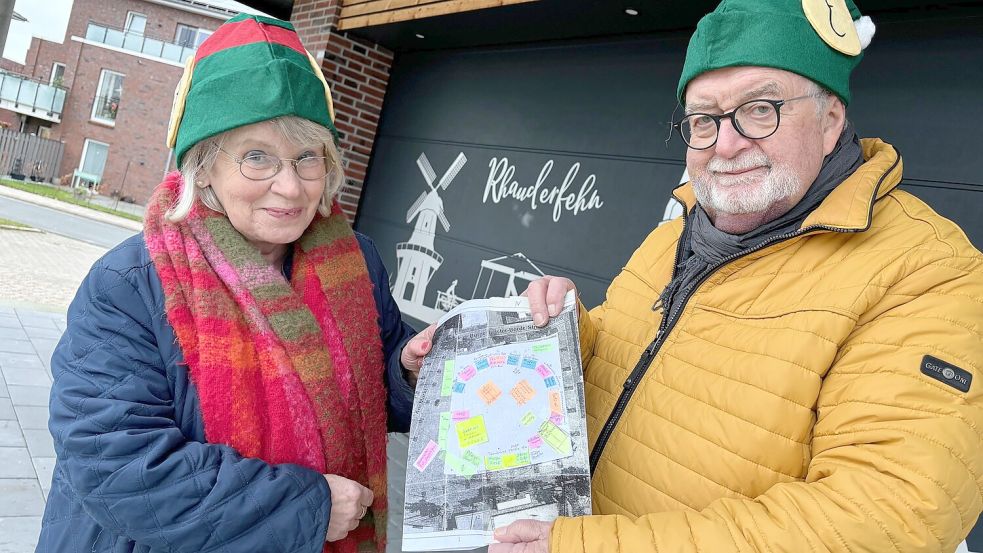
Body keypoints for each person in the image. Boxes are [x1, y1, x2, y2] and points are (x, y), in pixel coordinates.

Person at [494, 0, 983, 551]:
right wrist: (557, 334)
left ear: (830, 121)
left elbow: (890, 518)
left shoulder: (926, 271)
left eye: (759, 109)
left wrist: (586, 545)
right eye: (704, 120)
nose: (725, 145)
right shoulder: (677, 234)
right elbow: (634, 358)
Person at [36, 14, 432, 553]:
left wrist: (409, 371)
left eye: (306, 158)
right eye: (256, 157)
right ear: (203, 167)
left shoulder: (354, 263)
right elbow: (118, 466)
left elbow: (372, 391)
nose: (290, 187)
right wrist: (305, 506)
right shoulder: (131, 284)